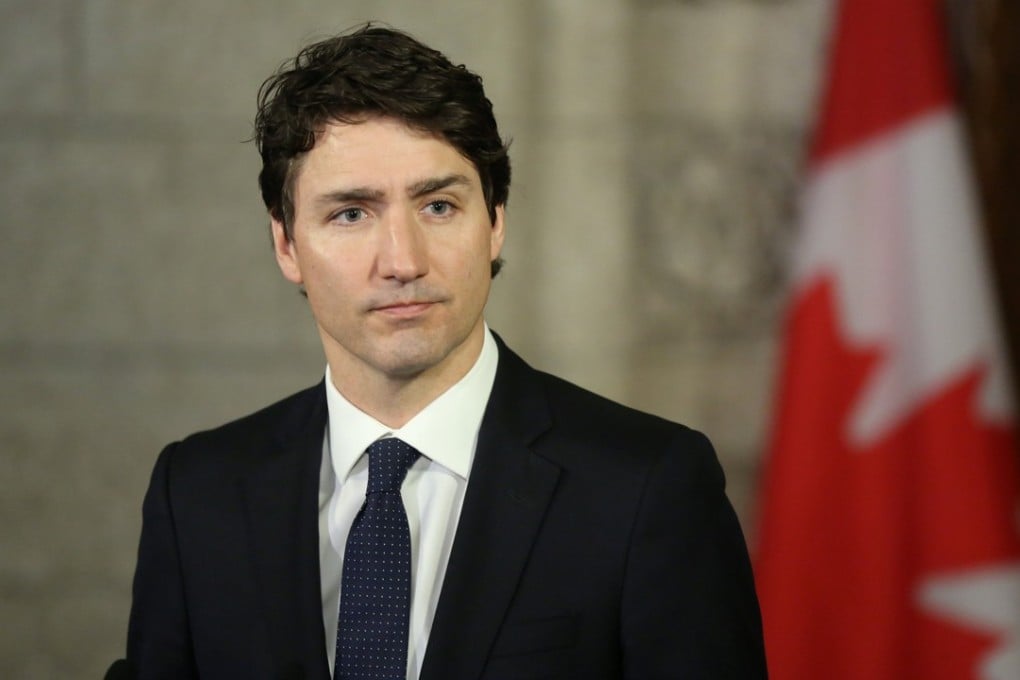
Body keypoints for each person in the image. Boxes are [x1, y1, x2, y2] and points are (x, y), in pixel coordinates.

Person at [120, 24, 767, 679]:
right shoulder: (196, 493)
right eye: (351, 213)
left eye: (438, 205)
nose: (402, 261)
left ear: (495, 221)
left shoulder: (649, 487)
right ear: (287, 245)